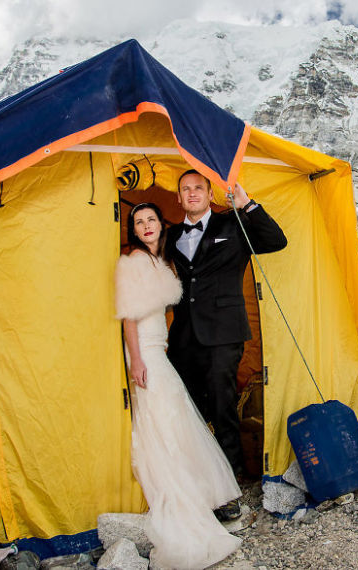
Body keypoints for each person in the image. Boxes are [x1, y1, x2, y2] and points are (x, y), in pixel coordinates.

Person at [115, 202, 242, 569]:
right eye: (139, 222)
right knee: (165, 415)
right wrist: (137, 359)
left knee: (176, 415)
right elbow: (128, 316)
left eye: (151, 219)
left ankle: (197, 491)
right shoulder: (133, 262)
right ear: (134, 231)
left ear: (160, 224)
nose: (146, 226)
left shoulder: (160, 260)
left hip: (159, 345)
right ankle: (181, 495)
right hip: (144, 351)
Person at [165, 170, 287, 516]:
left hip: (224, 335)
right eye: (185, 189)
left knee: (222, 407)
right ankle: (195, 482)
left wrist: (246, 204)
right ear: (178, 197)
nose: (192, 194)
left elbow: (276, 241)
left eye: (198, 188)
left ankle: (228, 489)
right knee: (188, 410)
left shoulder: (233, 225)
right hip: (184, 337)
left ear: (209, 195)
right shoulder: (172, 234)